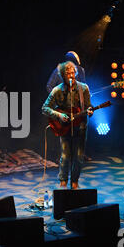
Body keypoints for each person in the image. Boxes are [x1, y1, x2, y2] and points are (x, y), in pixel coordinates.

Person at [42, 61, 93, 189]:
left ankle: (75, 181)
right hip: (64, 127)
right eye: (68, 74)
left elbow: (88, 107)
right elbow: (45, 108)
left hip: (80, 126)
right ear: (62, 76)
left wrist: (90, 111)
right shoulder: (57, 90)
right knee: (65, 155)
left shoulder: (84, 88)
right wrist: (59, 115)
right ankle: (63, 181)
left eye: (72, 73)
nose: (71, 76)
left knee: (79, 156)